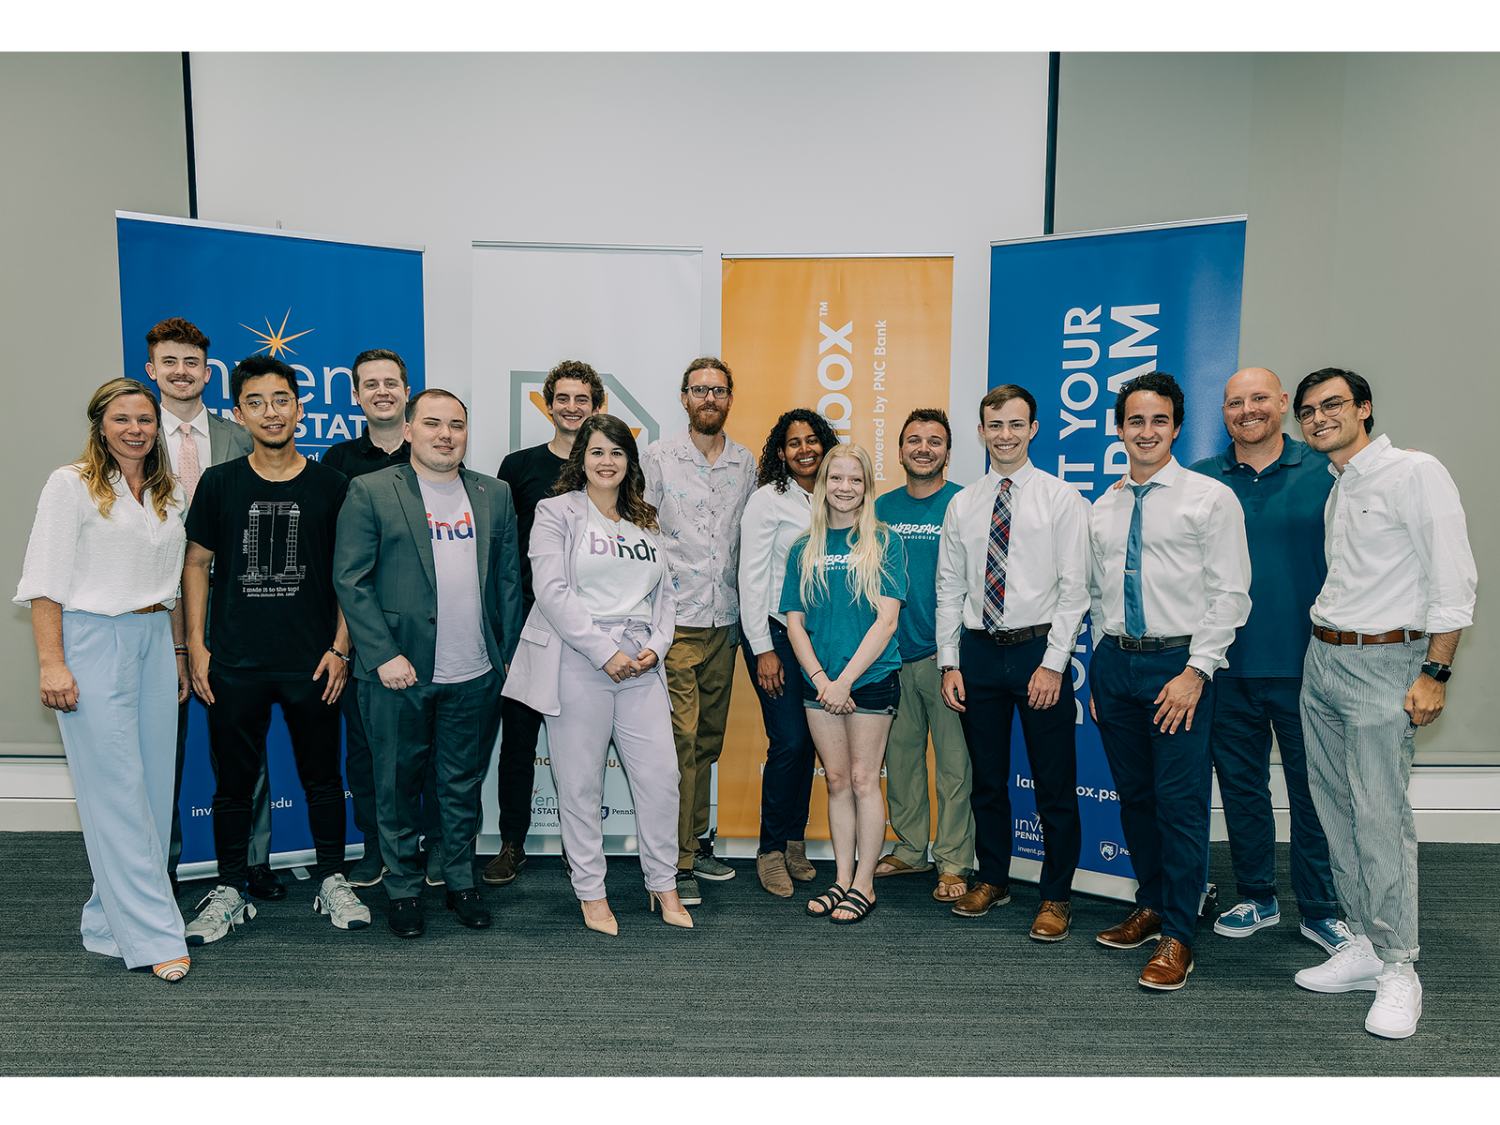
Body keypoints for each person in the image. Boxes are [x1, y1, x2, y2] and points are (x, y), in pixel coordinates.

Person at [1291, 367, 1476, 1040]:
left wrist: (1436, 671)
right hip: (1324, 660)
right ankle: (1366, 942)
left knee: (1379, 815)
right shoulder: (1341, 485)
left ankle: (1400, 965)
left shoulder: (1414, 473)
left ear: (1364, 408)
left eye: (1333, 405)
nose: (1318, 418)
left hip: (1386, 664)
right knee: (1335, 810)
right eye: (1308, 410)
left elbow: (1453, 581)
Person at [181, 355, 369, 943]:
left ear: (299, 407)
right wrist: (195, 646)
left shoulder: (333, 486)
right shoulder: (219, 483)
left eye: (281, 399)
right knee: (232, 785)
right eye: (256, 402)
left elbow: (349, 574)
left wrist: (341, 648)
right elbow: (196, 564)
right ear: (238, 413)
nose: (270, 412)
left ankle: (333, 879)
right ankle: (231, 889)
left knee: (321, 777)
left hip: (312, 660)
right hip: (234, 660)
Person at [16, 378, 192, 981]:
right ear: (100, 424)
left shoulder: (168, 493)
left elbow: (170, 587)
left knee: (150, 794)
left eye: (145, 419)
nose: (136, 429)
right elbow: (44, 580)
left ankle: (105, 921)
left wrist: (177, 655)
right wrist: (51, 662)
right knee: (116, 793)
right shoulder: (70, 485)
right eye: (122, 419)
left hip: (151, 642)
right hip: (91, 641)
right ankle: (155, 935)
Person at [335, 389, 522, 937]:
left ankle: (462, 882)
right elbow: (351, 579)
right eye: (434, 423)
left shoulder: (496, 493)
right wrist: (382, 654)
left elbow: (509, 582)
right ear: (410, 430)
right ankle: (402, 891)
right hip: (398, 672)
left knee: (461, 785)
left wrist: (506, 659)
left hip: (476, 674)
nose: (446, 434)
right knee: (395, 785)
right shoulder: (370, 490)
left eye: (457, 425)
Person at [1087, 371, 1251, 990]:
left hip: (1179, 666)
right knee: (1136, 798)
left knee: (1180, 806)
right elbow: (1092, 594)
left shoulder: (1209, 499)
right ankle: (1152, 904)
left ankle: (1180, 933)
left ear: (1176, 427)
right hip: (1114, 664)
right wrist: (1103, 675)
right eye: (1135, 420)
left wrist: (1195, 672)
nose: (1146, 431)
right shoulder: (1103, 507)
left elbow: (1231, 596)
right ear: (1119, 428)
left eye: (1158, 420)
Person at [502, 414, 690, 934]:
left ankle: (663, 883)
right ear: (580, 458)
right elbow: (552, 589)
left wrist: (656, 646)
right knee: (580, 784)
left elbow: (666, 595)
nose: (607, 462)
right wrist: (603, 651)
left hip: (641, 664)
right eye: (597, 452)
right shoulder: (555, 511)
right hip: (578, 658)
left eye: (617, 453)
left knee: (661, 778)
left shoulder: (646, 519)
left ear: (630, 461)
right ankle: (591, 892)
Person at [1187, 368, 1344, 952]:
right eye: (1234, 402)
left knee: (1313, 792)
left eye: (1259, 398)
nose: (1247, 409)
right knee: (1243, 788)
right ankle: (1257, 895)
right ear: (1222, 412)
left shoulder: (1327, 470)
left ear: (1282, 404)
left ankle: (1322, 907)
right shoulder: (1201, 480)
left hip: (1312, 666)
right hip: (1225, 666)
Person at [936, 386, 1089, 938]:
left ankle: (1055, 896)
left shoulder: (1062, 499)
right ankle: (993, 878)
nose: (1005, 434)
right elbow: (949, 586)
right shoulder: (964, 502)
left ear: (1034, 429)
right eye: (994, 425)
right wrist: (950, 662)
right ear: (980, 432)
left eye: (1016, 424)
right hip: (977, 653)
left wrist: (1052, 664)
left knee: (1053, 785)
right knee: (987, 781)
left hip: (1037, 652)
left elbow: (1076, 592)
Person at [141, 318, 261, 897]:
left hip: (237, 607)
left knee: (245, 737)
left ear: (207, 373)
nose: (182, 372)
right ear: (152, 369)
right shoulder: (136, 437)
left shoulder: (239, 437)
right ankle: (159, 867)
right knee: (162, 744)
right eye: (170, 362)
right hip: (158, 610)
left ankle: (253, 861)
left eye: (192, 363)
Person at [642, 357, 758, 907]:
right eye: (699, 390)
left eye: (718, 389)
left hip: (725, 623)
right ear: (683, 397)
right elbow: (639, 532)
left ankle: (698, 840)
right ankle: (678, 860)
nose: (709, 397)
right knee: (679, 742)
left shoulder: (746, 461)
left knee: (707, 741)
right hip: (676, 624)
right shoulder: (659, 457)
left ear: (730, 398)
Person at [486, 359, 602, 887]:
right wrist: (507, 627)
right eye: (563, 398)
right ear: (548, 404)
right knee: (519, 741)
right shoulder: (519, 466)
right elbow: (505, 553)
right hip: (532, 621)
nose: (572, 408)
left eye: (583, 399)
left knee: (584, 744)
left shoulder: (608, 465)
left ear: (596, 406)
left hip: (594, 627)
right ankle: (513, 842)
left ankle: (579, 846)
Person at [782, 444, 907, 925]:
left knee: (862, 779)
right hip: (820, 681)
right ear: (823, 483)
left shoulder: (884, 541)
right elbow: (794, 623)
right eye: (836, 478)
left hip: (870, 679)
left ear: (867, 487)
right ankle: (841, 878)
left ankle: (865, 885)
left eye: (855, 480)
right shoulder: (802, 546)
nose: (844, 488)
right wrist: (820, 679)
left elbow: (887, 621)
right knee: (835, 781)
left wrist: (844, 682)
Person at [319, 348, 430, 890]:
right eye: (370, 384)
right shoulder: (338, 462)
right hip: (364, 636)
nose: (382, 391)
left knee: (428, 750)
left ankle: (424, 844)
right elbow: (340, 566)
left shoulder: (433, 452)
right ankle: (374, 847)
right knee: (365, 750)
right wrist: (345, 644)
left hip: (429, 632)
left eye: (392, 382)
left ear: (407, 390)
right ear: (355, 396)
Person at [874, 409, 975, 903]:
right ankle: (911, 848)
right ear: (899, 452)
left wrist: (955, 657)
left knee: (954, 765)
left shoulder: (964, 503)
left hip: (948, 658)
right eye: (913, 440)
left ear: (948, 453)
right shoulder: (880, 508)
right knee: (903, 759)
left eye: (934, 441)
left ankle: (954, 859)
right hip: (893, 656)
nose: (923, 448)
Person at [738, 409, 838, 896]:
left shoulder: (837, 494)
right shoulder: (767, 500)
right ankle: (770, 850)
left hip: (820, 639)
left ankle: (796, 842)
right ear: (781, 452)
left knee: (813, 744)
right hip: (775, 635)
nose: (805, 449)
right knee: (791, 742)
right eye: (794, 442)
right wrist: (761, 649)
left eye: (813, 440)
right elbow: (751, 576)